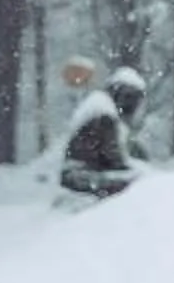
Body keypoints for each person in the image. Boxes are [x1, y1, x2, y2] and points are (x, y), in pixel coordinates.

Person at [60, 66, 148, 198]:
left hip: (79, 173)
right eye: (130, 98)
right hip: (81, 176)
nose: (133, 106)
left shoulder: (99, 105)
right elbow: (113, 157)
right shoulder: (105, 114)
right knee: (139, 185)